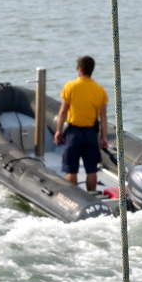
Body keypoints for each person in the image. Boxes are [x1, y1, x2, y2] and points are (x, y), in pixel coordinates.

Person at [54, 55, 109, 193]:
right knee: (91, 170)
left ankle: (73, 197)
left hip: (73, 133)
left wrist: (58, 131)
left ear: (79, 69)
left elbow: (63, 111)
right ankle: (91, 196)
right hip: (91, 133)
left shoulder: (71, 86)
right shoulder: (100, 90)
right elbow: (103, 116)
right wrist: (103, 138)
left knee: (72, 170)